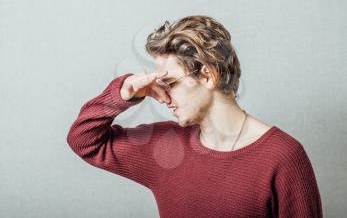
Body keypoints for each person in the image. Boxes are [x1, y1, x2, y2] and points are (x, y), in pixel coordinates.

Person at [67, 15, 323, 217]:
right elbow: (84, 141)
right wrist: (124, 92)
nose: (164, 97)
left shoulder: (284, 157)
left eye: (171, 83)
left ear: (208, 76)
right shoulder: (165, 146)